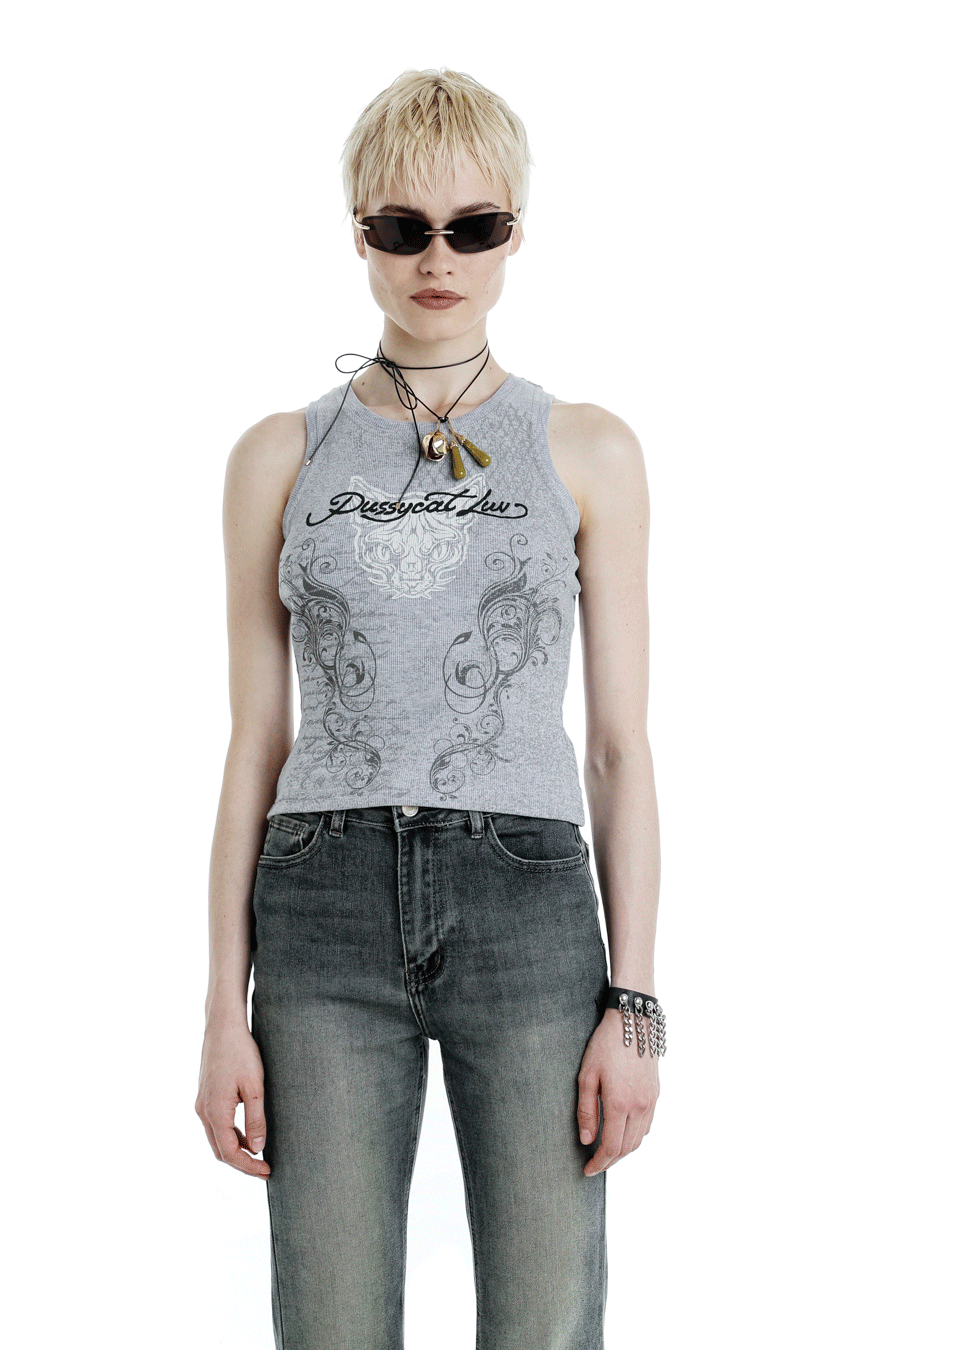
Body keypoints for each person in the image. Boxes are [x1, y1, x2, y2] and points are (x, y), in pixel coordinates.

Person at [195, 68, 663, 1350]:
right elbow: (255, 741)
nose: (438, 259)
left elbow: (618, 749)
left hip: (528, 904)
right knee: (331, 1326)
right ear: (359, 232)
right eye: (403, 227)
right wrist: (222, 1009)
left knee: (545, 1322)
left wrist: (634, 1005)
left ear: (516, 231)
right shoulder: (279, 456)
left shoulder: (586, 449)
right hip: (321, 909)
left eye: (474, 227)